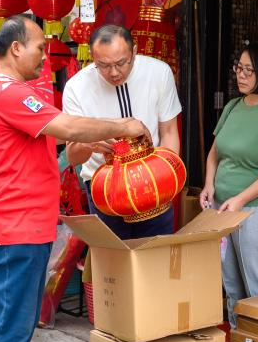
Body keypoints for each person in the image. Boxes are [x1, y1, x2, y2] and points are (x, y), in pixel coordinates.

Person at [0, 16, 150, 342]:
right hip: (15, 232)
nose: (45, 56)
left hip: (22, 229)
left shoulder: (10, 93)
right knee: (9, 333)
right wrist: (125, 125)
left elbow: (60, 143)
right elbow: (68, 125)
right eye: (40, 47)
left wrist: (91, 142)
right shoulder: (7, 93)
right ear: (16, 48)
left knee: (17, 329)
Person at [199, 42, 258, 329]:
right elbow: (215, 152)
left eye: (248, 70)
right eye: (238, 68)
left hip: (256, 213)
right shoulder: (232, 107)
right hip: (222, 210)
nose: (240, 75)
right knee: (231, 285)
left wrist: (240, 198)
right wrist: (208, 186)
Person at [63, 24, 182, 238]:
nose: (114, 72)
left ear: (134, 51)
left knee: (156, 255)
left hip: (152, 184)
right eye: (103, 65)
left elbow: (170, 132)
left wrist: (167, 179)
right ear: (92, 57)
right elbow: (72, 157)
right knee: (112, 263)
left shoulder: (158, 72)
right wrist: (92, 142)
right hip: (105, 188)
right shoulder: (76, 87)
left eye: (121, 63)